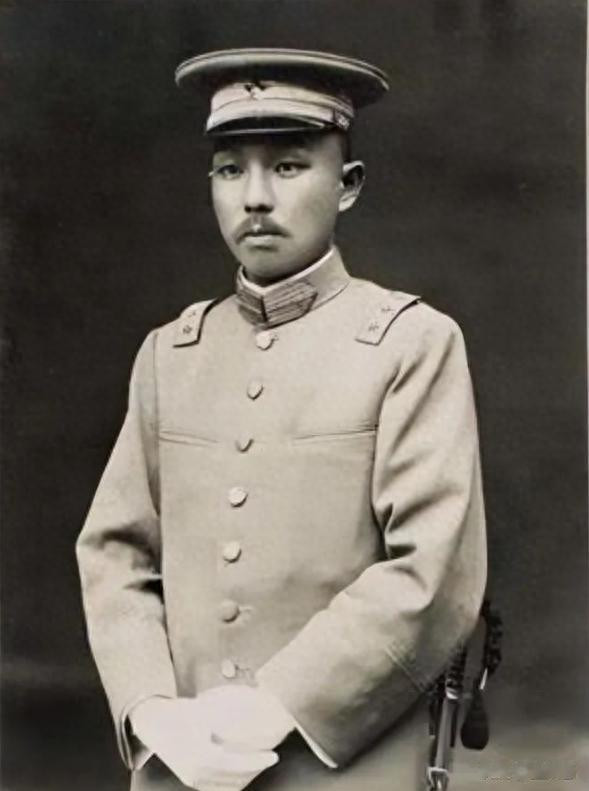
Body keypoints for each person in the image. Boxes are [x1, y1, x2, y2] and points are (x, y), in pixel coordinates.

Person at [76, 48, 487, 791]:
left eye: (289, 166)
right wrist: (153, 711)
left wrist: (274, 705)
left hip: (344, 766)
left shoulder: (411, 344)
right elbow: (115, 554)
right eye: (230, 170)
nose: (255, 198)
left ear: (347, 185)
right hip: (183, 765)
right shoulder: (170, 353)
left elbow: (431, 572)